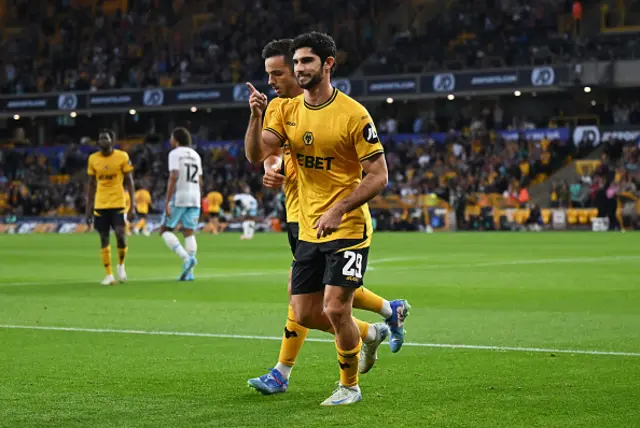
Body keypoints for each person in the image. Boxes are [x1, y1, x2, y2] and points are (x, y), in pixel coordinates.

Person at [246, 38, 410, 398]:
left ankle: (348, 386)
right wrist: (256, 116)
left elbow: (379, 175)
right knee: (304, 311)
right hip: (306, 225)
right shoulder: (285, 110)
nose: (300, 68)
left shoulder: (353, 114)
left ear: (328, 64)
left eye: (307, 62)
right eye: (297, 62)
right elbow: (260, 153)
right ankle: (373, 328)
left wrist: (339, 208)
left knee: (336, 307)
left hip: (347, 225)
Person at [86, 129, 135, 285]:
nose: (103, 141)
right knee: (103, 238)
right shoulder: (93, 159)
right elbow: (91, 185)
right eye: (101, 139)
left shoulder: (122, 157)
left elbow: (129, 181)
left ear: (112, 141)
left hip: (118, 202)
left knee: (121, 234)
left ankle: (121, 266)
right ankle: (109, 275)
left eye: (106, 139)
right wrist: (88, 208)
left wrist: (132, 205)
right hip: (100, 203)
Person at [159, 128, 202, 281]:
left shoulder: (175, 153)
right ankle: (189, 272)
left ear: (176, 140)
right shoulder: (196, 155)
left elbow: (174, 175)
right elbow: (200, 179)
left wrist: (167, 201)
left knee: (164, 230)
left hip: (180, 196)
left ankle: (186, 259)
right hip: (195, 196)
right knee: (189, 232)